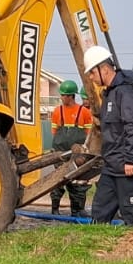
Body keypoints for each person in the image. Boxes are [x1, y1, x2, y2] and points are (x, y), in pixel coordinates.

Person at [83, 44, 133, 228]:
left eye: (92, 73)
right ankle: (97, 244)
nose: (91, 78)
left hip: (126, 165)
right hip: (112, 164)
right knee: (100, 210)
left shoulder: (125, 93)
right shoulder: (110, 94)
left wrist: (131, 160)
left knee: (131, 211)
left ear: (104, 69)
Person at [48, 78, 94, 218]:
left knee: (78, 183)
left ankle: (77, 211)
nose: (61, 98)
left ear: (71, 96)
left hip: (77, 154)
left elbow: (88, 135)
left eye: (63, 95)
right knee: (58, 181)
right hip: (61, 152)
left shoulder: (84, 113)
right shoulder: (57, 112)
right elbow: (54, 132)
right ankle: (55, 210)